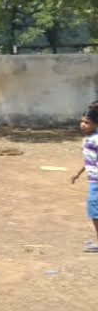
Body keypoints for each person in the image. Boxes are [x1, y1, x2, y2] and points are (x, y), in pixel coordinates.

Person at [70, 102, 98, 253]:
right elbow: (89, 160)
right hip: (93, 181)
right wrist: (78, 173)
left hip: (96, 183)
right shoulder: (88, 139)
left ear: (95, 124)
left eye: (87, 123)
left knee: (95, 213)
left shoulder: (95, 140)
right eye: (81, 121)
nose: (82, 125)